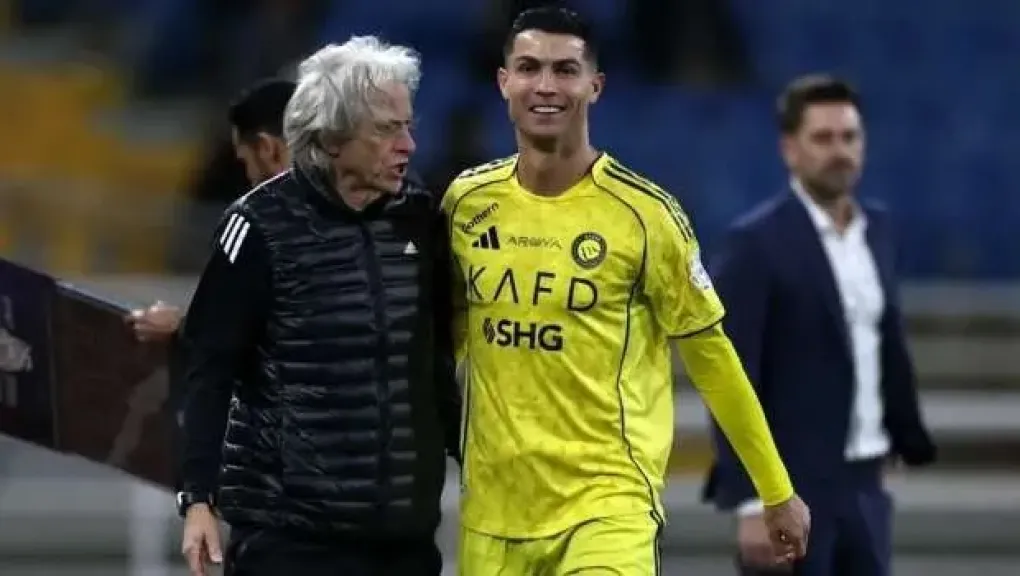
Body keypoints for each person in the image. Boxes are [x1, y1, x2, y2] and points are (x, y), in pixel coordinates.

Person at [441, 7, 810, 575]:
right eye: (530, 68)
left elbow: (712, 359)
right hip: (493, 513)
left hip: (607, 508)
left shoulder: (645, 216)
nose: (546, 85)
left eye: (566, 70)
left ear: (596, 85)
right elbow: (446, 342)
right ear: (504, 81)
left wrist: (775, 489)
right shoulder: (465, 204)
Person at [175, 38, 459, 576]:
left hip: (405, 541)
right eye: (386, 129)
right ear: (330, 139)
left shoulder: (421, 219)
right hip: (291, 541)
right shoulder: (257, 227)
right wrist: (198, 499)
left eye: (407, 126)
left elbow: (435, 362)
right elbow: (210, 369)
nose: (409, 145)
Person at [702, 75, 936, 576]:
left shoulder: (878, 231)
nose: (839, 151)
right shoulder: (755, 244)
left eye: (849, 137)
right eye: (823, 138)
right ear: (790, 149)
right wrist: (751, 500)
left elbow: (883, 341)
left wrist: (902, 434)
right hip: (791, 488)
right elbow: (730, 377)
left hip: (866, 484)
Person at [127, 78, 297, 342]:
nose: (250, 178)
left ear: (268, 149)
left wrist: (180, 329)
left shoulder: (257, 227)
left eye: (245, 162)